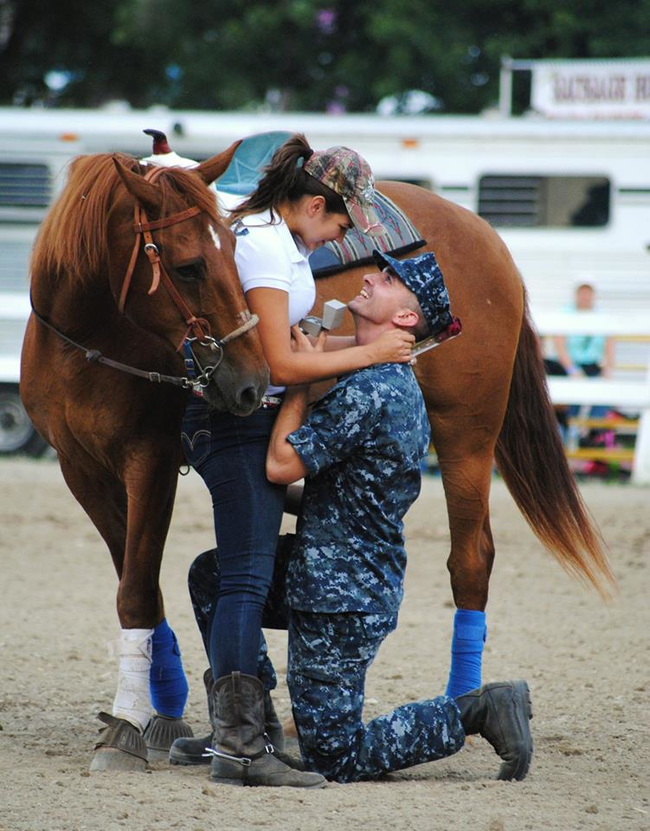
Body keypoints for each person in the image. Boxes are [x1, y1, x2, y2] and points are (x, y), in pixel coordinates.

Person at [176, 251, 533, 786]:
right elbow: (332, 493)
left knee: (333, 756)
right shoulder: (371, 379)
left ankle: (477, 711)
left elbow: (280, 464)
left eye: (388, 280)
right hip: (326, 569)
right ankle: (248, 727)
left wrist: (298, 376)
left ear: (407, 319)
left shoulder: (371, 389)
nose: (370, 277)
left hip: (342, 595)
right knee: (214, 575)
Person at [177, 134, 416, 788]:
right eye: (342, 220)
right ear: (314, 203)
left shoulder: (284, 240)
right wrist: (366, 355)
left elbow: (288, 343)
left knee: (239, 577)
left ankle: (242, 732)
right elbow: (281, 364)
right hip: (237, 418)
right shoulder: (260, 242)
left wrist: (365, 344)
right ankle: (240, 748)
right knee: (246, 581)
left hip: (255, 411)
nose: (343, 235)